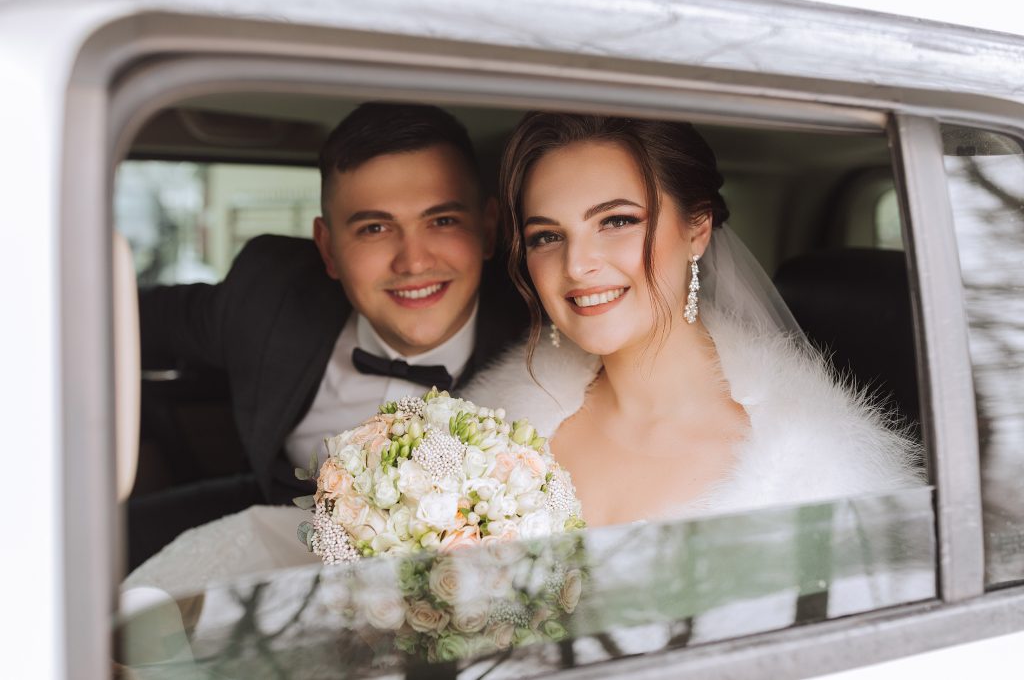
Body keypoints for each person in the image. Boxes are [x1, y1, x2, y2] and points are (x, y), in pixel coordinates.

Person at [461, 113, 923, 525]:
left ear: (696, 230)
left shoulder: (819, 475)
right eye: (546, 236)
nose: (577, 265)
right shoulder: (492, 429)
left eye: (617, 221)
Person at [128, 103, 528, 568]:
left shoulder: (541, 333)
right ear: (328, 248)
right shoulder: (269, 296)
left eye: (442, 221)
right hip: (277, 521)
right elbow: (119, 316)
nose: (413, 262)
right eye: (375, 228)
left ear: (488, 229)